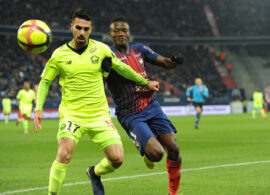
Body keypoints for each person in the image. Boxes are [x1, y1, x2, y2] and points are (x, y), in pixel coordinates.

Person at [33, 9, 159, 195]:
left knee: (117, 158)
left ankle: (94, 172)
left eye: (86, 29)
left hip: (99, 114)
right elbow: (45, 82)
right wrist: (38, 109)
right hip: (72, 114)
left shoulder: (101, 49)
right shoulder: (59, 55)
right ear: (72, 28)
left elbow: (122, 68)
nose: (82, 32)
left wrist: (145, 82)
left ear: (91, 29)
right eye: (78, 28)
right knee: (64, 153)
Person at [105, 16, 183, 195]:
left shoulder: (139, 49)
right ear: (110, 34)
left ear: (129, 33)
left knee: (174, 148)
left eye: (124, 30)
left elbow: (165, 63)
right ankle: (146, 150)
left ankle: (173, 192)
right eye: (116, 31)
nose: (121, 34)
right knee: (156, 154)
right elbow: (100, 78)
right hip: (130, 114)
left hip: (151, 106)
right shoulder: (106, 55)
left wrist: (174, 60)